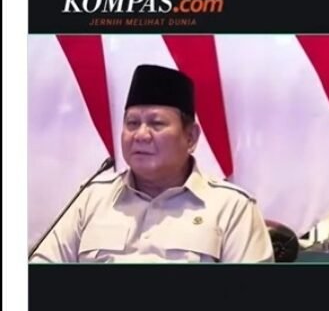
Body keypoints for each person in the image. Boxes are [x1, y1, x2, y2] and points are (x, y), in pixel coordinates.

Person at [30, 65, 274, 263]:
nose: (140, 135)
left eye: (156, 124)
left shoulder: (232, 207)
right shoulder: (91, 197)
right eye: (132, 123)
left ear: (190, 137)